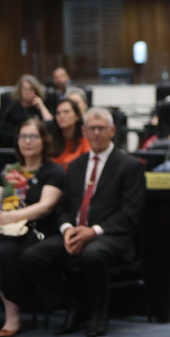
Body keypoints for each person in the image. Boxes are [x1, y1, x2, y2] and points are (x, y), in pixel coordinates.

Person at [22, 108, 146, 337]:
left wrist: (92, 231)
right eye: (92, 129)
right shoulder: (76, 165)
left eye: (101, 128)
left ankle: (98, 314)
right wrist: (68, 229)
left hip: (110, 235)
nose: (97, 133)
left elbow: (131, 214)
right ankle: (71, 305)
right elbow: (63, 207)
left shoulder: (130, 165)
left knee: (92, 255)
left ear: (112, 131)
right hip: (74, 231)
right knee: (32, 256)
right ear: (84, 132)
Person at [0, 119, 65, 337]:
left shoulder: (53, 170)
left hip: (38, 230)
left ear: (44, 140)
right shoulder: (11, 170)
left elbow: (45, 207)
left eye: (33, 136)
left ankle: (13, 317)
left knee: (4, 251)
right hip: (8, 229)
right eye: (22, 136)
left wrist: (10, 217)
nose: (27, 141)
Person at [0, 75, 53, 149]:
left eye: (31, 89)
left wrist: (41, 106)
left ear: (36, 91)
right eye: (24, 89)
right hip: (12, 146)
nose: (27, 92)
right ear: (20, 91)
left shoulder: (38, 107)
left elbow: (51, 125)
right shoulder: (11, 106)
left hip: (34, 145)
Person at [52, 98, 91, 171]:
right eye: (58, 113)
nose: (61, 116)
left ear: (77, 116)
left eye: (66, 112)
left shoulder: (85, 142)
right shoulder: (51, 142)